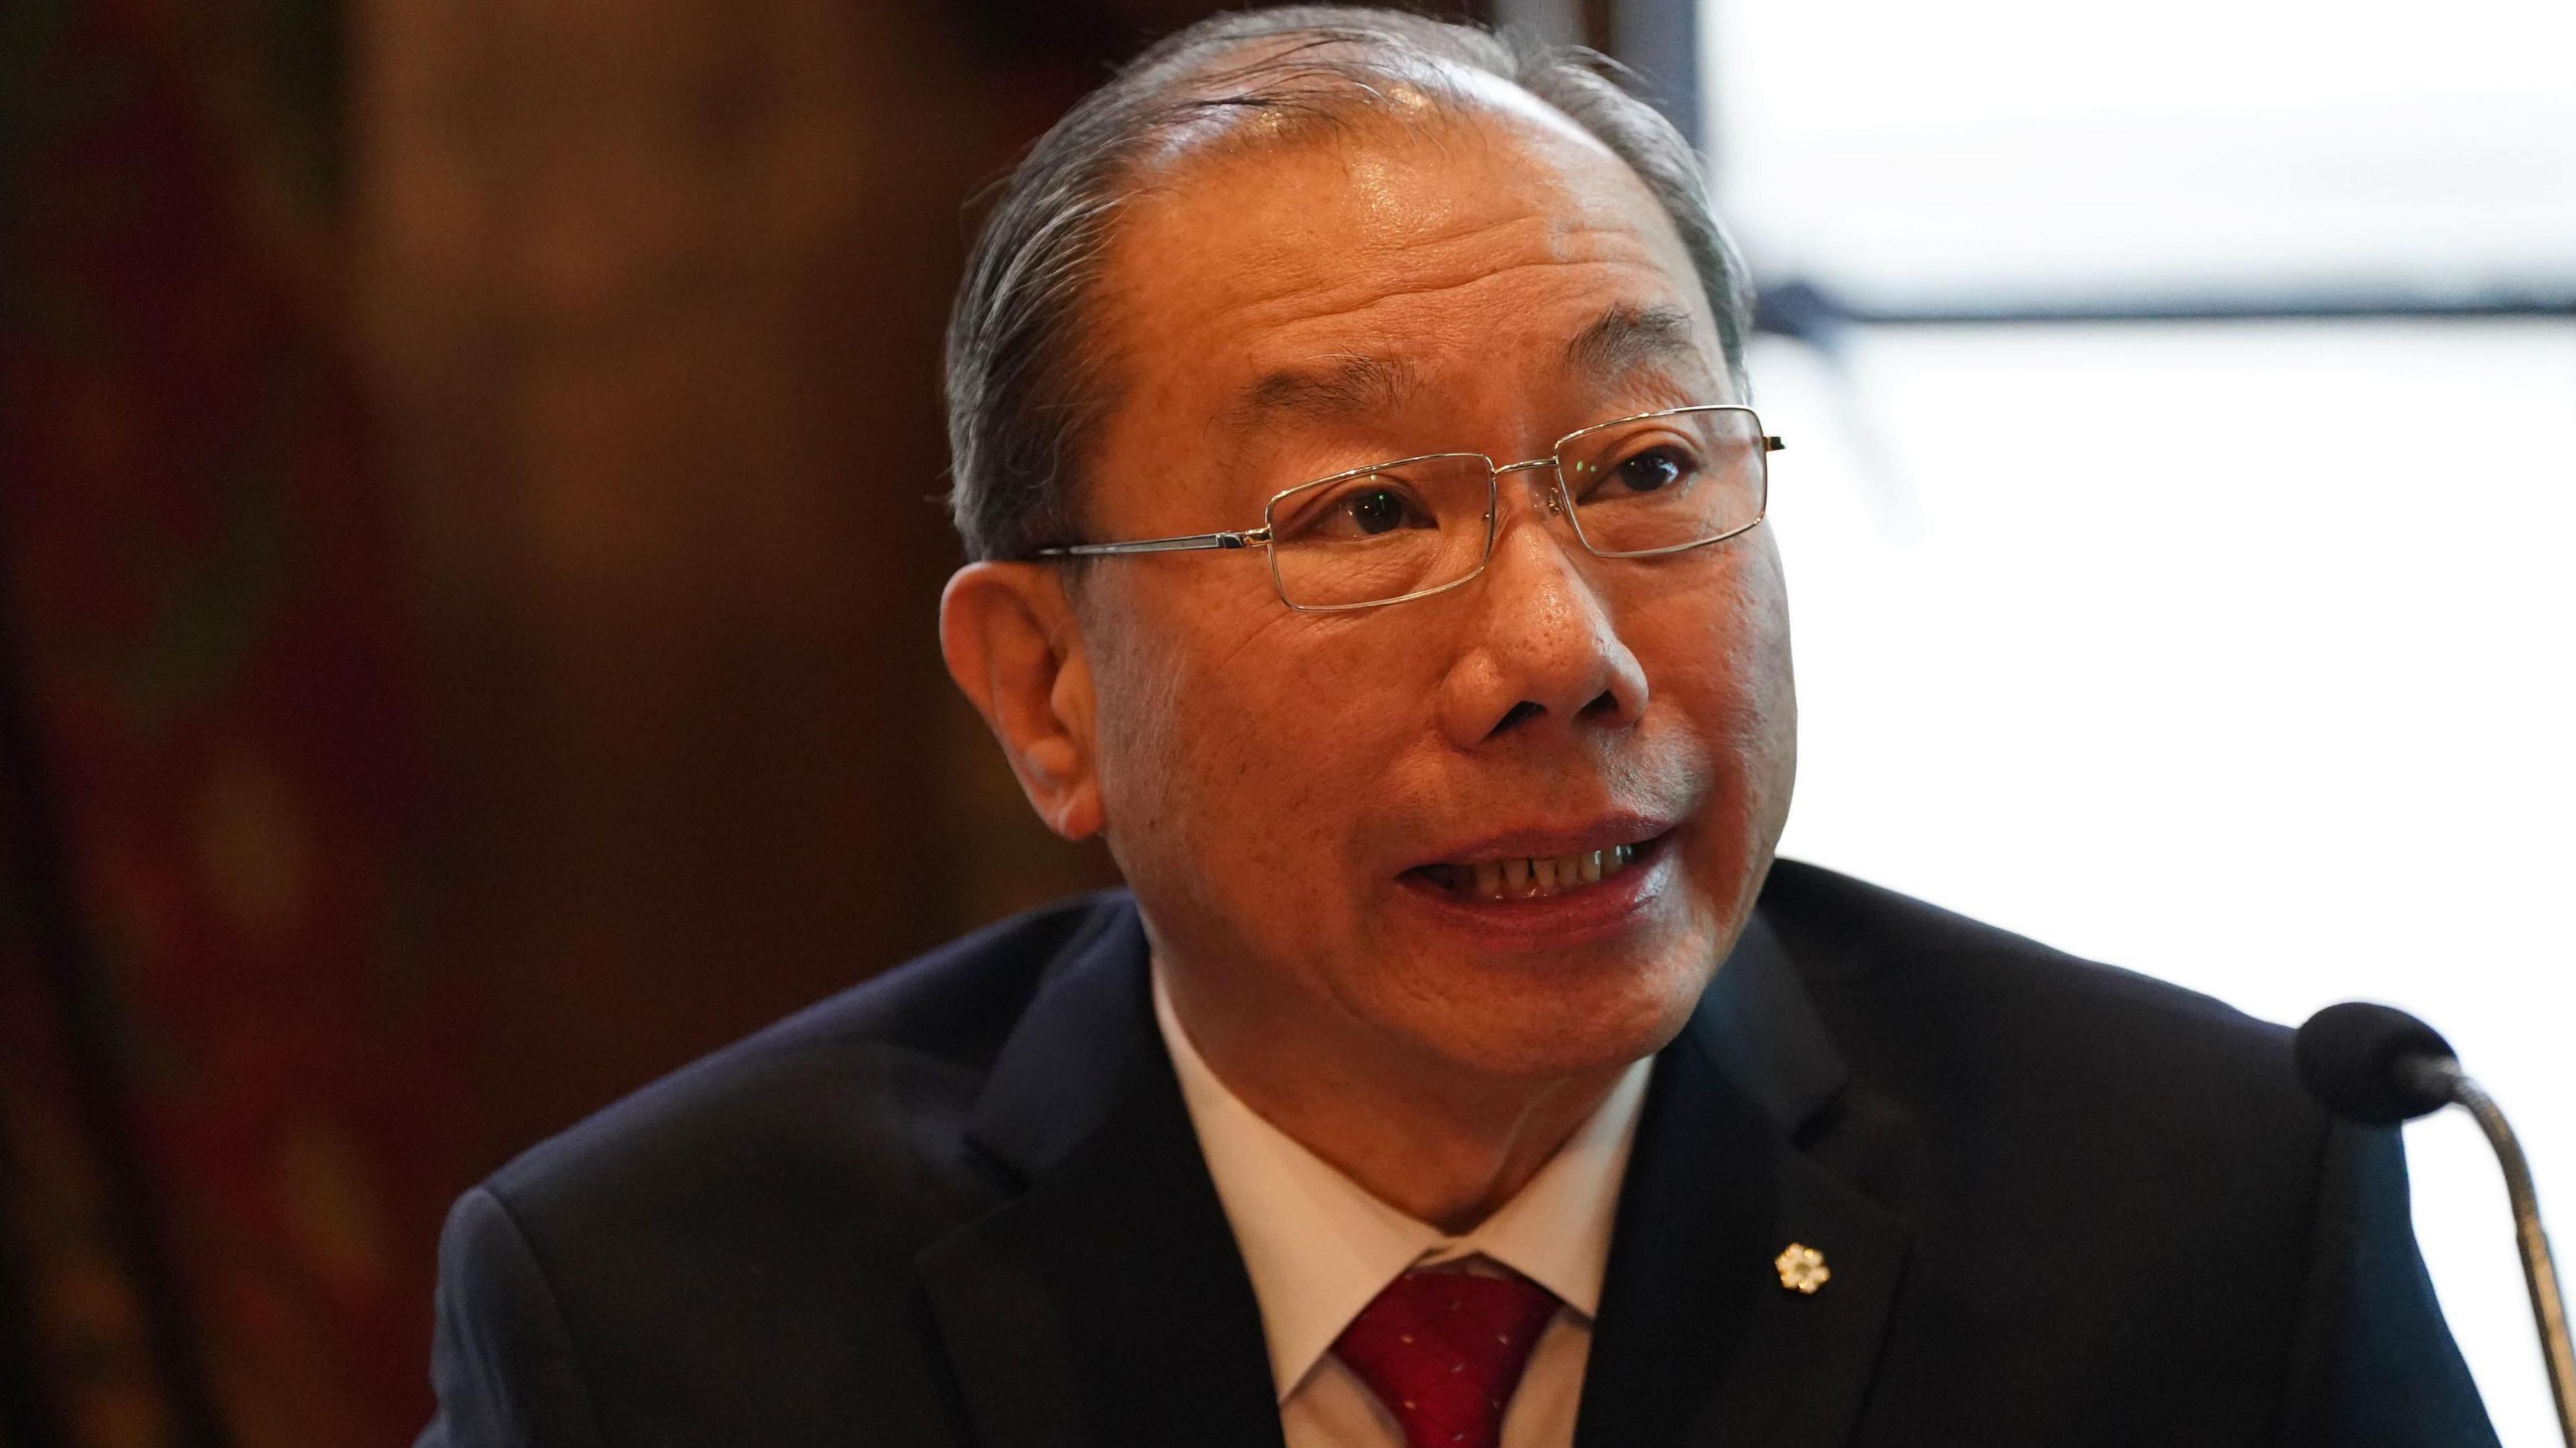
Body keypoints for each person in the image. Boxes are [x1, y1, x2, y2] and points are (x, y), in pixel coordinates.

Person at [417, 9, 2497, 1446]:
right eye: (1369, 513)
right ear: (1049, 694)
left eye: (1649, 468)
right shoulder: (661, 1321)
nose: (1559, 652)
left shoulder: (2208, 1217)